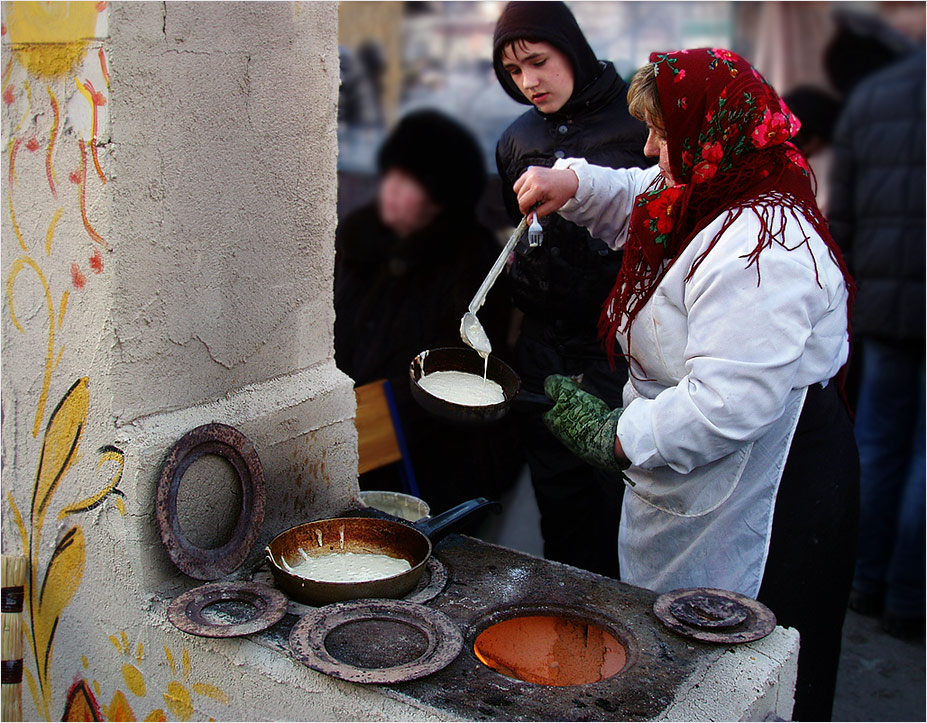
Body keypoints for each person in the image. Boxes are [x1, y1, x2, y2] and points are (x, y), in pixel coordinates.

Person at [514, 49, 859, 721]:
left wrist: (616, 433)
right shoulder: (717, 180)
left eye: (662, 134)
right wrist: (573, 184)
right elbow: (646, 194)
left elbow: (726, 405)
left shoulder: (767, 244)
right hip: (711, 469)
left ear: (711, 134)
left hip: (775, 483)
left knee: (751, 671)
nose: (648, 148)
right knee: (688, 658)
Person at [491, 0, 650, 578]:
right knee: (558, 498)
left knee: (622, 498)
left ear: (572, 51)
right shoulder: (516, 138)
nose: (529, 81)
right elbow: (508, 235)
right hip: (542, 344)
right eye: (514, 72)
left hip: (621, 346)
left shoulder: (636, 126)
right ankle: (566, 629)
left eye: (539, 61)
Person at [334, 109, 522, 513]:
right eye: (392, 176)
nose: (393, 191)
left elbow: (458, 375)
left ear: (441, 199)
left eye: (411, 183)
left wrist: (357, 430)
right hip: (351, 436)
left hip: (429, 457)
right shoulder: (358, 242)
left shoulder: (470, 263)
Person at [828, 43, 926, 639]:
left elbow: (845, 218)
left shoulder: (871, 98)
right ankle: (911, 599)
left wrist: (853, 300)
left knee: (879, 441)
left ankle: (861, 579)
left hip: (885, 307)